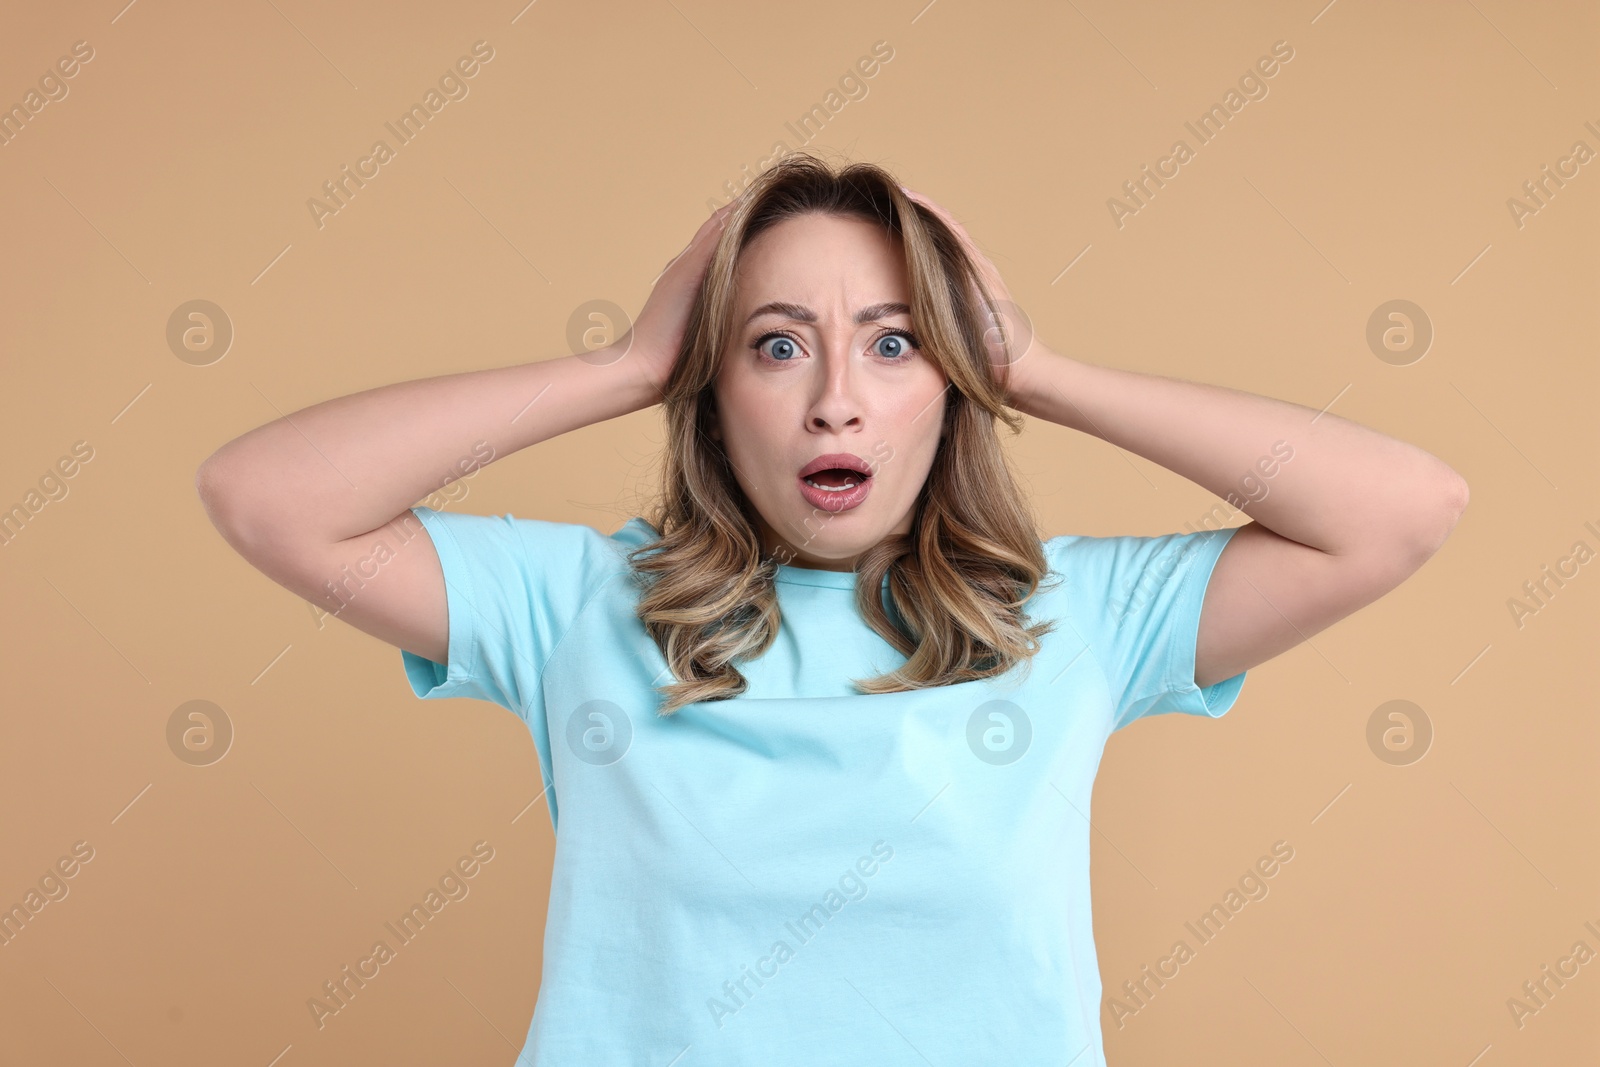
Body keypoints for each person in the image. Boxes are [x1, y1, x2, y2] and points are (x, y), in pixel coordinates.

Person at [195, 152, 1468, 1065]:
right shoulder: (577, 605)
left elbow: (1401, 508)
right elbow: (265, 497)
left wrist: (1036, 368)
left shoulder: (1076, 617)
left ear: (951, 382)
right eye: (779, 342)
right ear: (716, 389)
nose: (837, 401)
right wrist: (626, 364)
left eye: (897, 343)